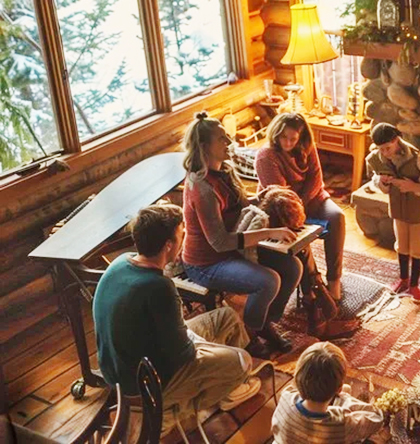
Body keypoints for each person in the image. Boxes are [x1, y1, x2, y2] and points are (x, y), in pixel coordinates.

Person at [93, 203, 265, 432]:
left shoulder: (120, 262)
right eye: (181, 235)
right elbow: (183, 354)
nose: (183, 240)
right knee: (242, 360)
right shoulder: (159, 286)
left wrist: (192, 339)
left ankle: (229, 388)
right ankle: (164, 414)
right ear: (168, 245)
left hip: (119, 370)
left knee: (227, 318)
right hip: (144, 384)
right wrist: (200, 343)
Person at [182, 111, 301, 356]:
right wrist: (271, 232)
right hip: (206, 262)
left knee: (293, 268)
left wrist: (268, 195)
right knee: (268, 280)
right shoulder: (201, 188)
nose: (229, 143)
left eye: (227, 137)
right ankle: (249, 335)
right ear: (204, 146)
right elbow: (219, 242)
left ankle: (263, 323)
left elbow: (243, 206)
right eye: (222, 139)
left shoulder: (224, 170)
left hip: (232, 249)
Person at [255, 112, 346, 301]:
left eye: (293, 139)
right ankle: (311, 286)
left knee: (337, 217)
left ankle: (334, 280)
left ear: (301, 137)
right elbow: (281, 196)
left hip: (311, 199)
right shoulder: (266, 156)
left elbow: (316, 178)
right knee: (300, 234)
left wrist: (303, 204)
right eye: (283, 138)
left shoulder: (307, 146)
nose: (288, 143)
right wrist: (297, 210)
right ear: (276, 134)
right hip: (282, 208)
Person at [365, 123, 420, 303]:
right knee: (401, 245)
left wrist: (415, 187)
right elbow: (374, 182)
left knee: (418, 249)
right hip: (398, 210)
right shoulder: (377, 159)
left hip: (418, 211)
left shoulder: (417, 157)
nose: (385, 153)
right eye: (381, 149)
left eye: (388, 148)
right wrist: (383, 182)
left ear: (396, 140)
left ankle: (415, 284)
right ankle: (404, 279)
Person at [271, 342, 385, 443]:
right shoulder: (341, 423)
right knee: (377, 438)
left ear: (296, 377)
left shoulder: (286, 396)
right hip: (330, 428)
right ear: (338, 389)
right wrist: (344, 399)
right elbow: (377, 418)